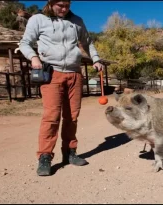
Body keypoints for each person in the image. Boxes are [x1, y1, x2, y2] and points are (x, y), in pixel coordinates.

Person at [19, 0, 105, 176]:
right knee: (51, 116)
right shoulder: (38, 19)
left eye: (67, 5)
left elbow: (87, 42)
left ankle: (70, 152)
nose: (64, 9)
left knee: (72, 116)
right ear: (51, 3)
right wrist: (33, 58)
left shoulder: (77, 21)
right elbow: (25, 43)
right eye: (60, 5)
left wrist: (95, 59)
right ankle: (45, 156)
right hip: (52, 73)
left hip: (74, 73)